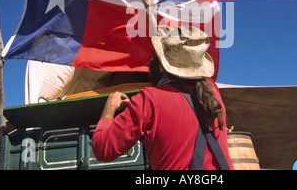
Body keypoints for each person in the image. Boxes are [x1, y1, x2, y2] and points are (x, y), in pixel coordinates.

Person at [92, 26, 234, 170]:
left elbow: (102, 150)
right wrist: (176, 42)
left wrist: (109, 109)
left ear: (161, 66)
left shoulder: (148, 100)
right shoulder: (212, 90)